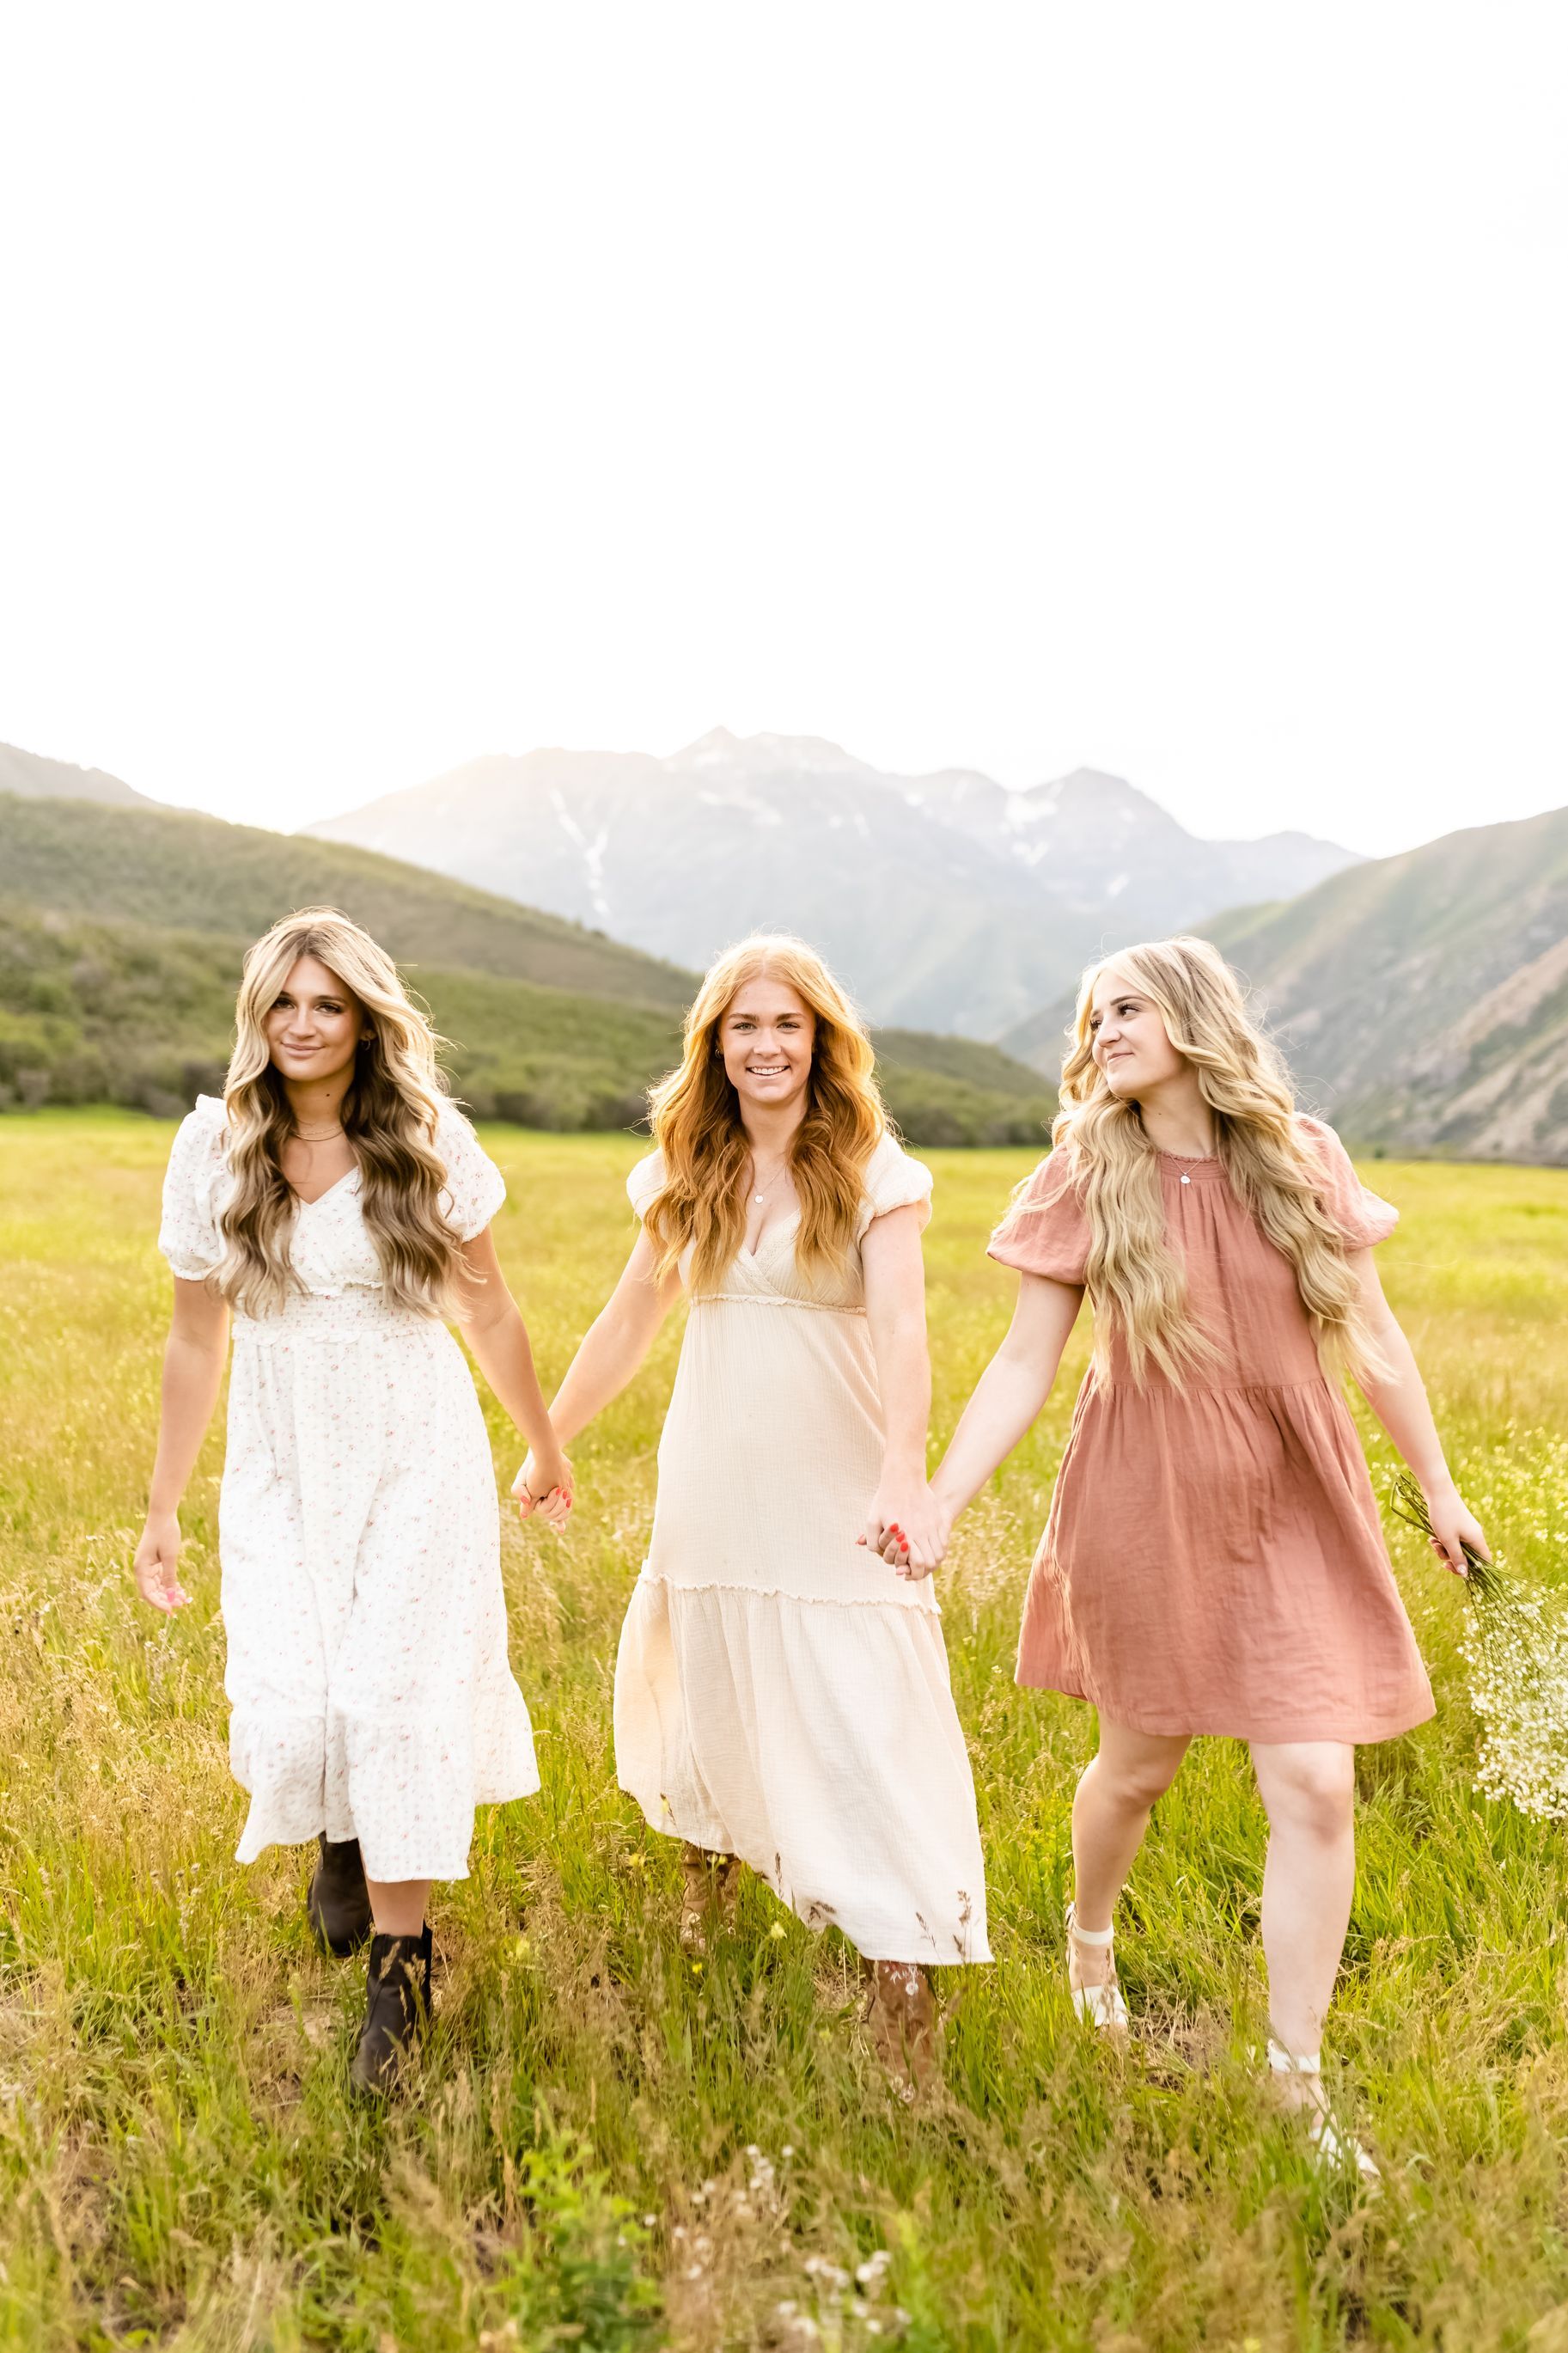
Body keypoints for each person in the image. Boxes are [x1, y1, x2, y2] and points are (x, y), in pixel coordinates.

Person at [922, 935, 1486, 2173]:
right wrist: (941, 1499)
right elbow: (1025, 1361)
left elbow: (1374, 1335)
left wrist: (1435, 1486)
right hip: (1145, 1494)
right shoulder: (1084, 1168)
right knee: (1136, 1767)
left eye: (1124, 1007)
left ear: (1190, 1015)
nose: (1099, 1031)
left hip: (1295, 1489)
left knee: (1315, 1781)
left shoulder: (1299, 1152)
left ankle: (1294, 2076)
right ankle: (1087, 1937)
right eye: (1089, 1017)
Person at [516, 934, 989, 2087]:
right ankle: (707, 1939)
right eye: (743, 1026)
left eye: (787, 1024)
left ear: (821, 1039)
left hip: (837, 1490)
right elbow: (630, 1316)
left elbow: (904, 1335)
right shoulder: (686, 1170)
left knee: (865, 1723)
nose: (766, 1045)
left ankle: (902, 1991)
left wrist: (900, 1473)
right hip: (715, 1484)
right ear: (713, 1045)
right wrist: (548, 1439)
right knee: (708, 1691)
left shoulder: (878, 1171)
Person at [134, 907, 570, 2091]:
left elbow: (487, 1309)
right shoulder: (212, 1148)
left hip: (413, 1445)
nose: (303, 1023)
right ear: (255, 1014)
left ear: (366, 1019)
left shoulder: (423, 1139)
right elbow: (192, 1340)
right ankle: (341, 1828)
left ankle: (401, 1964)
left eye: (328, 1003)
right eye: (283, 1000)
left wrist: (541, 1441)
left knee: (391, 1690)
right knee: (300, 1692)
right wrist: (163, 1504)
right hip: (281, 1451)